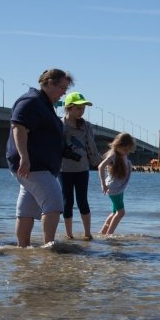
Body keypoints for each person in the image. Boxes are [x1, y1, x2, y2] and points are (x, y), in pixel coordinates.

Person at [7, 69, 71, 247]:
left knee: (28, 209)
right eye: (61, 88)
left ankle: (22, 250)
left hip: (37, 166)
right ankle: (49, 247)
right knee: (55, 202)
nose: (63, 93)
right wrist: (24, 158)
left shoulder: (44, 104)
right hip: (33, 165)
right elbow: (18, 127)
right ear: (50, 83)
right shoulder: (31, 101)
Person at [59, 92, 102, 240]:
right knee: (67, 201)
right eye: (78, 108)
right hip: (64, 169)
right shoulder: (60, 125)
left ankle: (87, 233)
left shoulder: (86, 126)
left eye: (83, 108)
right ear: (69, 108)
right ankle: (69, 234)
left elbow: (91, 146)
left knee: (82, 200)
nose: (81, 111)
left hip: (82, 169)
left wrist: (97, 162)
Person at [98, 133, 136, 235]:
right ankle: (109, 234)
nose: (126, 152)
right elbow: (100, 167)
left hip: (119, 187)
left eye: (128, 150)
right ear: (118, 146)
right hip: (114, 188)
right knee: (121, 212)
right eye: (125, 150)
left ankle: (103, 232)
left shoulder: (122, 155)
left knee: (115, 212)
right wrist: (103, 184)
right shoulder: (113, 155)